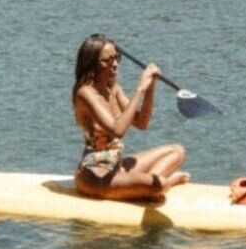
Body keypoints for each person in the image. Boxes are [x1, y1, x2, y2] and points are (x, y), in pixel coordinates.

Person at [71, 33, 188, 198]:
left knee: (178, 151)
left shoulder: (113, 88)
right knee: (158, 184)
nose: (114, 64)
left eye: (116, 58)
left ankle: (148, 187)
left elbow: (141, 123)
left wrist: (150, 88)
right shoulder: (85, 93)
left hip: (117, 167)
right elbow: (117, 130)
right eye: (107, 61)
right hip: (96, 176)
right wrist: (140, 87)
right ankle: (162, 184)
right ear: (92, 65)